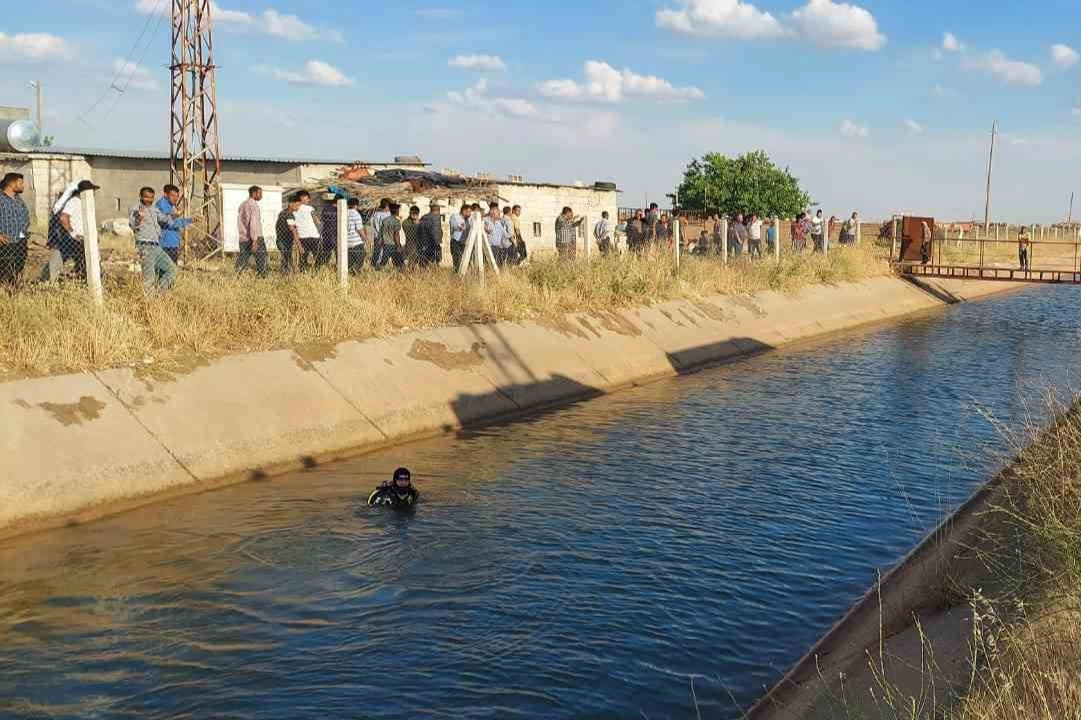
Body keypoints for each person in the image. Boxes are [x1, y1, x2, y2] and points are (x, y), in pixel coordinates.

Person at [41, 179, 98, 282]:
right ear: (84, 192)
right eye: (92, 190)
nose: (94, 193)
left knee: (84, 260)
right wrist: (73, 233)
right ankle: (47, 280)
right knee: (84, 260)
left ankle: (84, 278)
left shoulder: (85, 202)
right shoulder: (74, 201)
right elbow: (63, 217)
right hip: (74, 239)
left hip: (81, 238)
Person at [129, 186, 178, 292]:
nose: (149, 200)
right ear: (140, 196)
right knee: (149, 278)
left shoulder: (154, 209)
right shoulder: (136, 208)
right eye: (146, 197)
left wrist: (176, 215)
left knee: (172, 270)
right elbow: (133, 225)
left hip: (156, 246)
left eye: (151, 197)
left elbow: (165, 219)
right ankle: (149, 303)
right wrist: (139, 218)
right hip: (145, 245)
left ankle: (159, 294)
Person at [0, 172, 31, 287]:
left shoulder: (19, 201)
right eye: (21, 182)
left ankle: (12, 293)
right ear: (12, 184)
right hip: (4, 244)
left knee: (16, 272)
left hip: (19, 243)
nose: (23, 185)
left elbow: (26, 218)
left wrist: (22, 234)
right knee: (4, 272)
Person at [155, 184, 194, 266]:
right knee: (168, 268)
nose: (175, 198)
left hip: (172, 242)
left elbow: (174, 221)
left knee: (171, 268)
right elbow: (169, 223)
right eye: (172, 195)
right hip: (166, 243)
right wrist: (186, 221)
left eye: (177, 196)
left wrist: (190, 220)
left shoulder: (171, 206)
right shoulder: (162, 205)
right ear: (165, 194)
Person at [236, 185, 268, 278]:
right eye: (260, 193)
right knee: (262, 259)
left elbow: (241, 222)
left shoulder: (242, 205)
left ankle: (236, 276)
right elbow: (253, 223)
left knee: (243, 258)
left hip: (244, 237)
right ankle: (262, 278)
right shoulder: (254, 206)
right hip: (255, 237)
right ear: (254, 193)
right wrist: (254, 240)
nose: (261, 195)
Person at [293, 190, 321, 272]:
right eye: (308, 198)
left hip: (302, 236)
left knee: (303, 257)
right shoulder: (310, 208)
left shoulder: (294, 209)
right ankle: (316, 271)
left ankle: (303, 272)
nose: (309, 200)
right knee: (317, 256)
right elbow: (317, 221)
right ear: (303, 198)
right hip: (314, 235)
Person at [276, 194, 302, 274]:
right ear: (291, 204)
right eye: (297, 205)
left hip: (282, 240)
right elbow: (292, 229)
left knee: (286, 259)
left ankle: (285, 274)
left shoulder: (283, 213)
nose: (298, 207)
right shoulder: (289, 214)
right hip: (284, 241)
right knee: (287, 259)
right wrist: (299, 245)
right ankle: (287, 275)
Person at [377, 203, 405, 270]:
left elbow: (381, 232)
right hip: (393, 244)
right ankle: (398, 275)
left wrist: (381, 241)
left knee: (383, 262)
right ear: (396, 211)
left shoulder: (385, 220)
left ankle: (378, 272)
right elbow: (396, 234)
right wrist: (398, 246)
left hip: (386, 244)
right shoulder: (396, 221)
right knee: (399, 263)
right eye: (398, 210)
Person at [418, 202, 443, 268]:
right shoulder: (436, 217)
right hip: (433, 243)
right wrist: (438, 243)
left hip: (423, 242)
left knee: (424, 261)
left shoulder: (424, 217)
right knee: (434, 261)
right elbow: (435, 231)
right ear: (438, 210)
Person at [317, 194, 340, 270]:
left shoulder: (326, 208)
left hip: (326, 233)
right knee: (338, 252)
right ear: (338, 201)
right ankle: (338, 266)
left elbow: (322, 219)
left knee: (326, 252)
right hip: (335, 233)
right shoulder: (338, 210)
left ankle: (323, 267)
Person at [345, 198, 367, 273]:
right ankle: (355, 270)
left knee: (350, 259)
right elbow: (359, 229)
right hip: (356, 241)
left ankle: (349, 271)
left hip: (347, 241)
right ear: (356, 205)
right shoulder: (356, 214)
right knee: (361, 257)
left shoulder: (344, 212)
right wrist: (365, 238)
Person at [369, 198, 392, 269]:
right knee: (381, 251)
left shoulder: (376, 214)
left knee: (380, 251)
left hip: (380, 236)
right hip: (382, 236)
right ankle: (378, 265)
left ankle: (377, 265)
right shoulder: (383, 215)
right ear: (387, 206)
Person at [449, 204, 469, 270]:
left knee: (464, 260)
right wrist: (460, 226)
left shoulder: (468, 220)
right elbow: (454, 225)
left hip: (464, 242)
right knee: (457, 260)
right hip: (456, 242)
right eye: (468, 212)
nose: (469, 214)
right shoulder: (454, 216)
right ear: (464, 211)